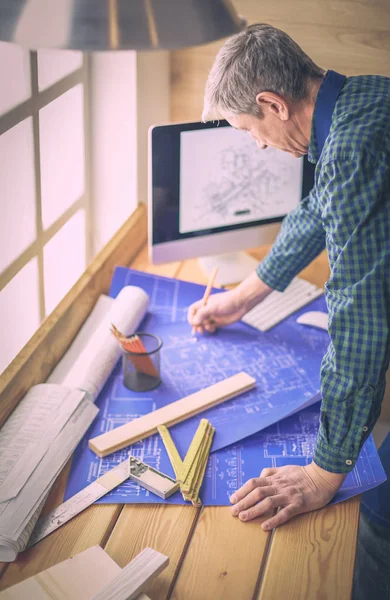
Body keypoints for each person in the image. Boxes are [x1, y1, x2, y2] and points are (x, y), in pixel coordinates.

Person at [187, 24, 390, 597]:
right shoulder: (363, 98)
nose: (256, 144)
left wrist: (323, 473)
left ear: (273, 104)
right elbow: (317, 212)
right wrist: (242, 297)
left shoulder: (352, 145)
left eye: (250, 130)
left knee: (378, 515)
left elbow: (360, 322)